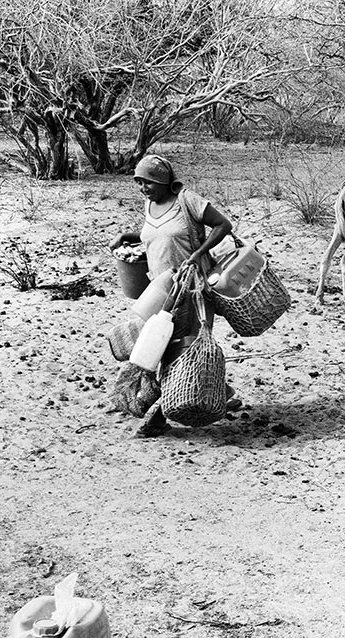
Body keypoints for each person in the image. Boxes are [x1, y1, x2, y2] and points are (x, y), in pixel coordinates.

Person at [107, 154, 237, 437]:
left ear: (165, 181)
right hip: (161, 287)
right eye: (139, 182)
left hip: (191, 288)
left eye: (149, 182)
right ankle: (219, 391)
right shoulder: (149, 205)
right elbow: (156, 235)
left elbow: (223, 225)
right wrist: (128, 237)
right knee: (160, 346)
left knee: (181, 349)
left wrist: (197, 255)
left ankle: (159, 416)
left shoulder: (188, 201)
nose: (144, 188)